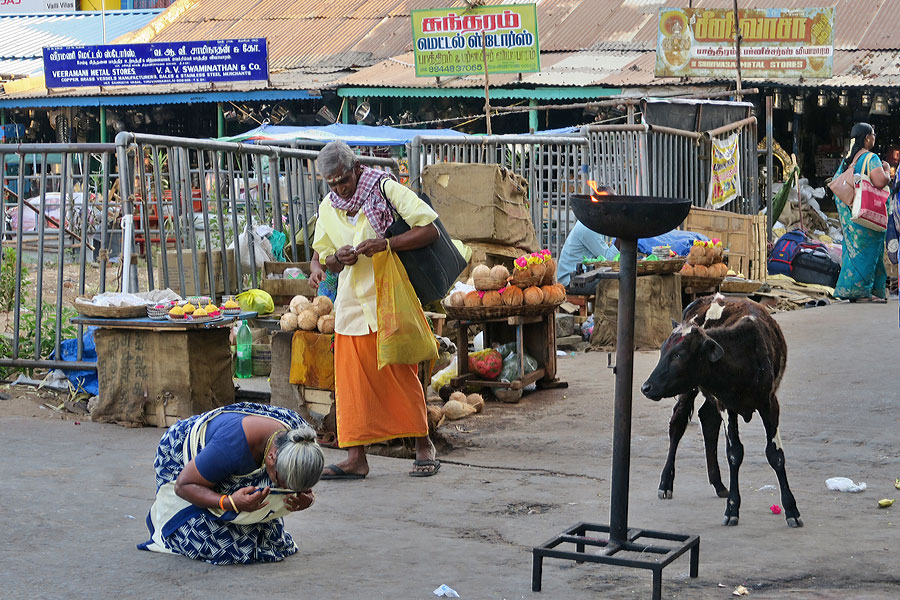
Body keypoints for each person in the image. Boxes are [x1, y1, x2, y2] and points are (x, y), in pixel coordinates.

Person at [312, 140, 441, 478]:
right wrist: (336, 259)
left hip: (389, 298)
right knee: (352, 385)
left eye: (344, 180)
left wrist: (387, 243)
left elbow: (429, 229)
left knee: (402, 374)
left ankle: (423, 444)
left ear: (356, 169)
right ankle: (356, 457)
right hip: (351, 306)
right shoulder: (328, 207)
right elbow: (323, 256)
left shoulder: (384, 188)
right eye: (333, 184)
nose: (340, 188)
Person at [138, 402, 324, 564]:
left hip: (222, 463)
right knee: (222, 548)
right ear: (271, 457)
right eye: (281, 482)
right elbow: (183, 486)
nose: (285, 490)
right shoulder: (233, 445)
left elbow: (300, 478)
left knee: (268, 542)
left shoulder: (302, 439)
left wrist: (307, 496)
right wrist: (229, 503)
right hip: (180, 466)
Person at [832, 122, 891, 303]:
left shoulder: (849, 159)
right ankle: (862, 292)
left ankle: (860, 290)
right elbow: (880, 181)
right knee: (869, 251)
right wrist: (887, 171)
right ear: (867, 138)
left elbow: (838, 183)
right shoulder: (870, 158)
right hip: (867, 214)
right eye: (872, 135)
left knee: (853, 252)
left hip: (853, 214)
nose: (874, 138)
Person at [556, 220, 619, 287]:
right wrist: (622, 236)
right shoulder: (588, 228)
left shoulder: (591, 225)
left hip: (582, 276)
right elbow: (609, 259)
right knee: (616, 285)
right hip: (571, 281)